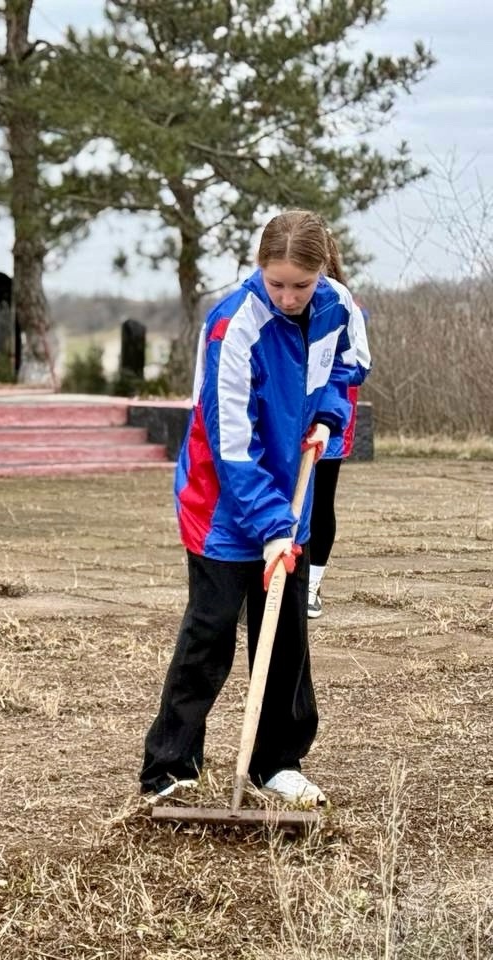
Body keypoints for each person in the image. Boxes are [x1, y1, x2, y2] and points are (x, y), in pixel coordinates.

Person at [140, 210, 362, 808]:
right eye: (277, 282)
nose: (289, 297)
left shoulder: (336, 306)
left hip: (294, 494)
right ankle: (170, 765)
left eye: (301, 284)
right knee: (210, 632)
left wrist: (328, 415)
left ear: (322, 273)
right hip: (222, 501)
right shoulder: (232, 327)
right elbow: (231, 442)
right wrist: (268, 528)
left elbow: (345, 368)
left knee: (286, 634)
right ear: (258, 268)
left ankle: (278, 762)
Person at [307, 285, 372, 619]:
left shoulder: (345, 307)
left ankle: (311, 584)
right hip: (290, 416)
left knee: (320, 500)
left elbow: (358, 364)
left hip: (330, 415)